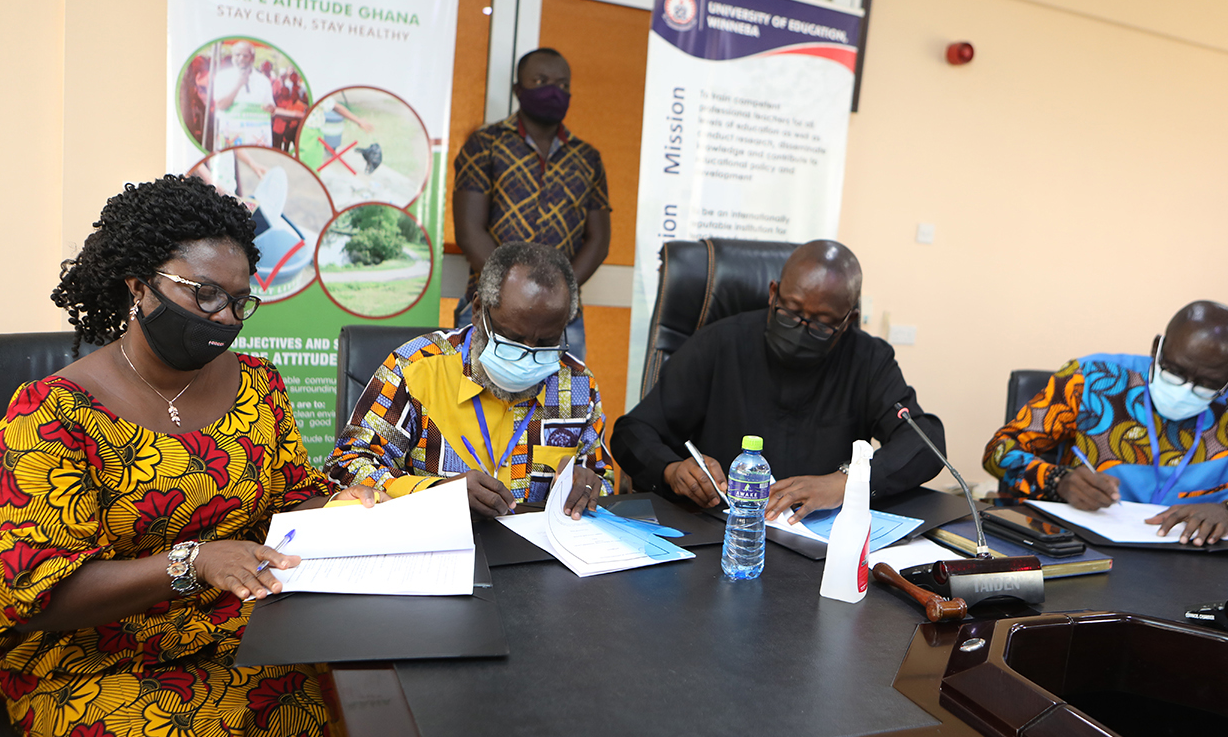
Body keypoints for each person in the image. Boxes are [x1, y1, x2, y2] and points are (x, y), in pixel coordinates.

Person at [0, 175, 384, 737]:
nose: (224, 317)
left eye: (240, 301)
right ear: (139, 286)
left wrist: (340, 506)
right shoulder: (51, 414)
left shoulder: (257, 384)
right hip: (93, 658)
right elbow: (33, 595)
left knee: (328, 722)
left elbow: (288, 499)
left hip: (235, 630)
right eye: (205, 294)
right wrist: (191, 564)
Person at [611, 240, 944, 524]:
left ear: (848, 321)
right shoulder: (719, 343)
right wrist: (671, 470)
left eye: (822, 325)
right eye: (790, 312)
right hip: (723, 532)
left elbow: (925, 441)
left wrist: (846, 482)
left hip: (817, 543)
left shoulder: (868, 359)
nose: (800, 329)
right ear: (773, 294)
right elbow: (633, 432)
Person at [983, 300, 1228, 553]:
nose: (1185, 389)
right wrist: (1057, 480)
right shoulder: (1091, 379)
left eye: (1205, 382)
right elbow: (999, 452)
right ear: (1158, 348)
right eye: (1174, 371)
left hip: (1186, 572)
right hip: (1076, 551)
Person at [326, 242, 609, 518]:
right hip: (434, 546)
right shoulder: (416, 367)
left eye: (546, 342)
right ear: (477, 310)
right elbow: (345, 467)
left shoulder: (577, 385)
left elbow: (601, 482)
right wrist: (437, 492)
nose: (528, 354)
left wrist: (588, 487)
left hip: (534, 556)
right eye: (511, 338)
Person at [452, 47, 610, 362]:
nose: (554, 91)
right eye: (541, 81)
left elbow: (599, 239)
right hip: (491, 306)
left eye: (563, 85)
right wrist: (513, 289)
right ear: (518, 90)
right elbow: (470, 230)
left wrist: (556, 292)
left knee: (561, 407)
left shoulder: (587, 157)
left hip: (563, 318)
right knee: (471, 402)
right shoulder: (485, 145)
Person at [211, 40, 275, 150]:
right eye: (237, 55)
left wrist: (270, 109)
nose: (241, 58)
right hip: (230, 139)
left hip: (255, 141)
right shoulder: (222, 77)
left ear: (252, 59)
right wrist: (239, 84)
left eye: (245, 56)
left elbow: (272, 110)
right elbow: (221, 105)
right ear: (232, 57)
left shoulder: (264, 81)